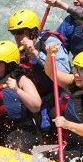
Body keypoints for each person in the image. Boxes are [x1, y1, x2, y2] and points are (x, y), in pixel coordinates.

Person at [7, 8, 71, 142]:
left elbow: (63, 72)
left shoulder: (51, 42)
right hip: (36, 97)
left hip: (57, 93)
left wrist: (35, 53)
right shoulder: (18, 51)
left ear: (33, 31)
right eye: (14, 33)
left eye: (20, 32)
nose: (17, 37)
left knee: (54, 113)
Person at [0, 40, 43, 153]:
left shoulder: (22, 80)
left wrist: (16, 89)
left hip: (22, 130)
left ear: (9, 64)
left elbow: (36, 106)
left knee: (14, 143)